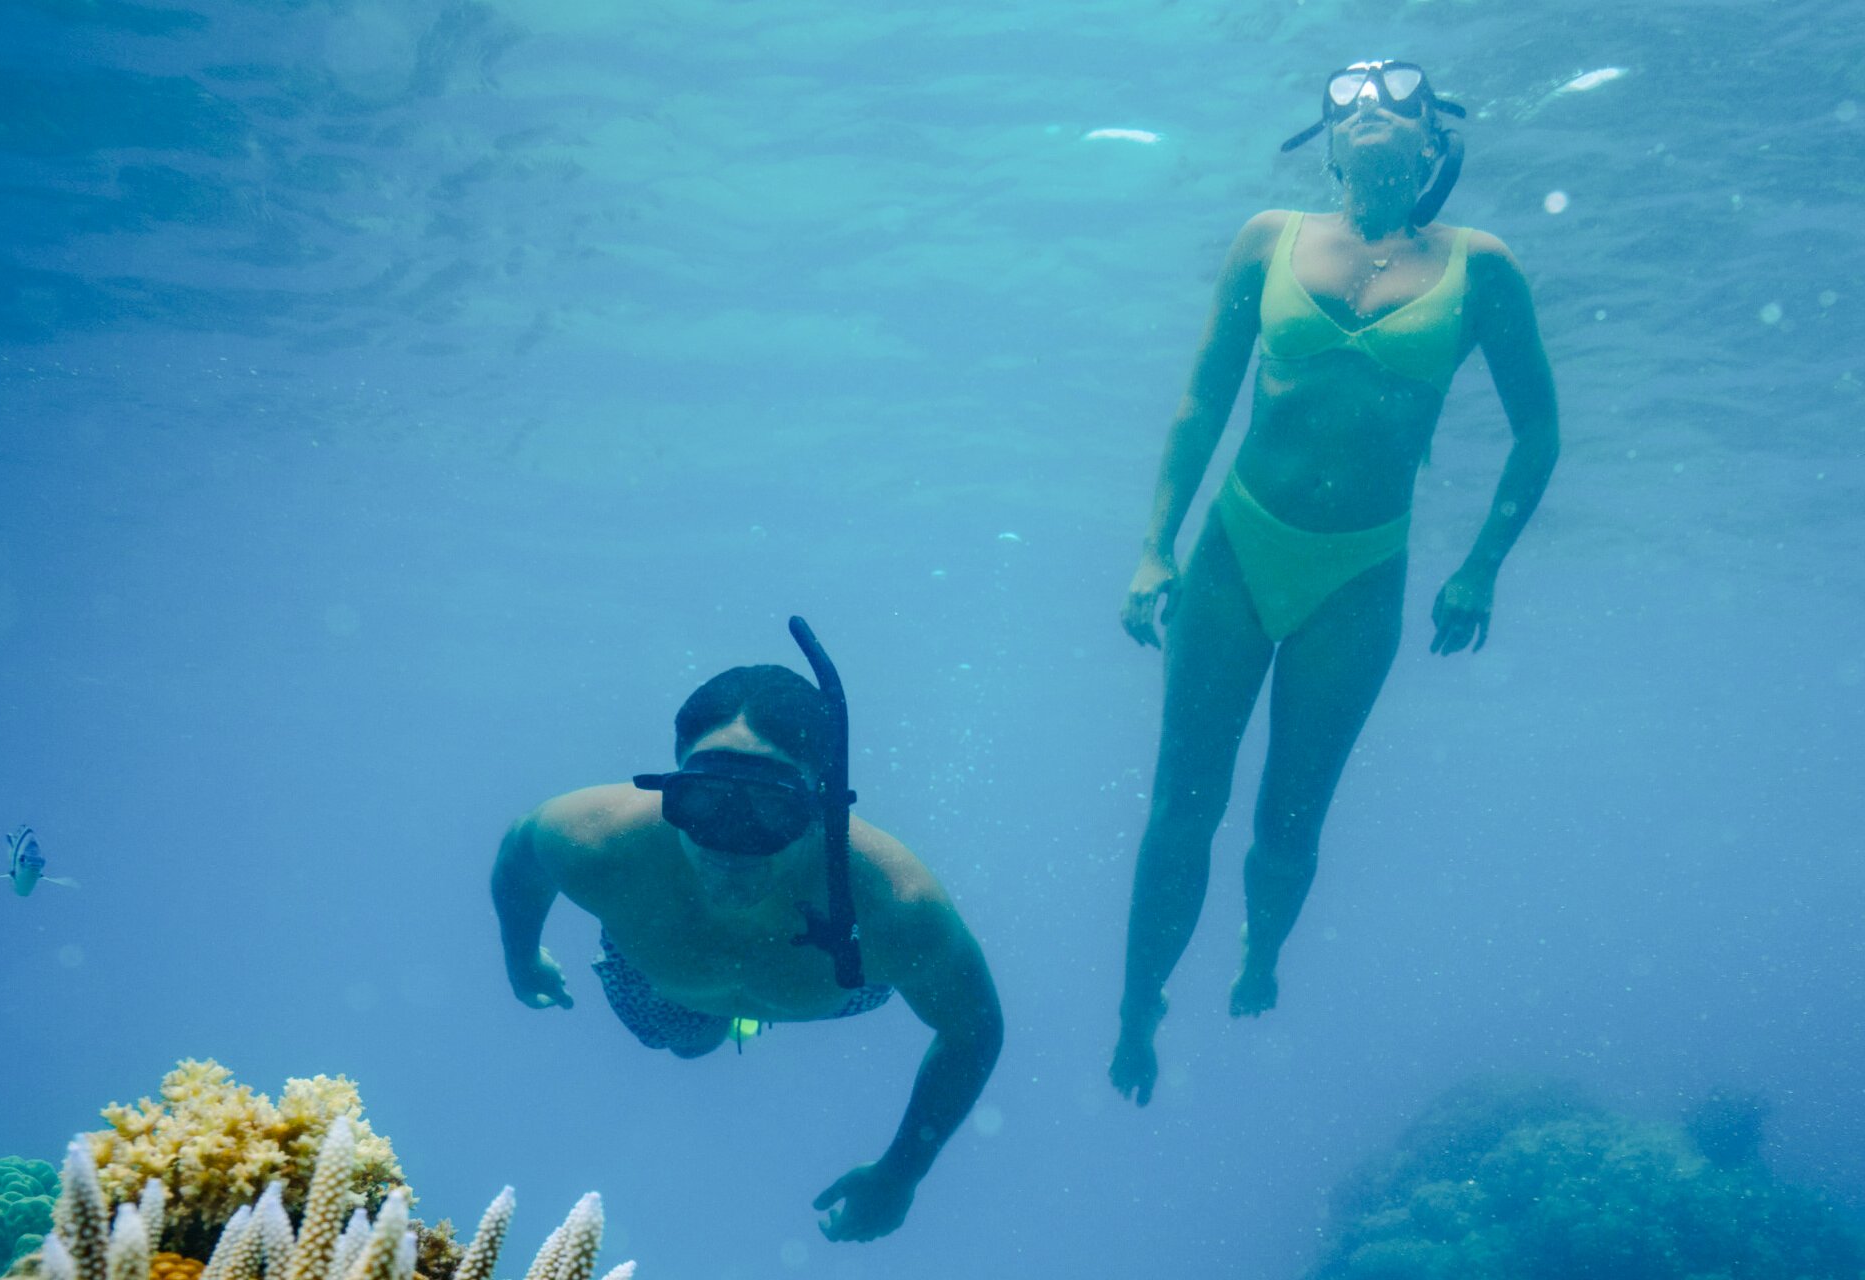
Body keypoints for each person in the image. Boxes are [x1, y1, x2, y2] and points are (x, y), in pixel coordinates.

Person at [1109, 61, 1560, 1106]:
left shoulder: (1479, 265)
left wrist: (1480, 567)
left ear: (1432, 136)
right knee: (1181, 807)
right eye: (1349, 98)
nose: (1370, 111)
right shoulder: (1266, 237)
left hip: (1359, 573)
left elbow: (1537, 429)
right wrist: (1151, 545)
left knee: (1288, 821)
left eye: (1394, 99)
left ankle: (1260, 954)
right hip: (1235, 548)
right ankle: (1137, 1004)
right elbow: (1200, 399)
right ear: (1324, 134)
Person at [492, 620, 1003, 1241]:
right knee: (686, 1043)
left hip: (841, 982)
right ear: (672, 783)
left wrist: (902, 1172)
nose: (731, 840)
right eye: (704, 799)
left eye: (770, 805)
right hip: (660, 985)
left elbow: (972, 1029)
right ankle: (723, 1025)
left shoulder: (897, 907)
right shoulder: (597, 841)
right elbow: (520, 851)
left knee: (694, 1034)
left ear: (823, 803)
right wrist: (521, 955)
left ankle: (733, 1019)